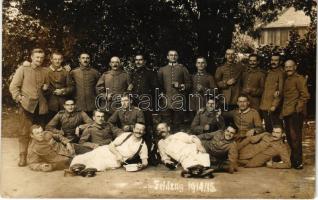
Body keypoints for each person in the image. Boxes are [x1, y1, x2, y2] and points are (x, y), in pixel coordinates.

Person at [9, 48, 49, 166]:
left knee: (40, 133)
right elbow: (13, 86)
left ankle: (39, 156)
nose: (39, 60)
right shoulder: (23, 69)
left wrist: (46, 88)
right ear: (31, 57)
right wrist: (18, 98)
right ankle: (23, 157)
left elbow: (46, 88)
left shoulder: (45, 71)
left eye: (41, 58)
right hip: (26, 106)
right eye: (37, 57)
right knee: (24, 132)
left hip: (41, 107)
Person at [69, 123, 148, 173]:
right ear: (134, 129)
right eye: (137, 129)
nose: (139, 131)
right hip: (107, 150)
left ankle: (83, 170)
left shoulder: (142, 145)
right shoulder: (126, 135)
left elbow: (145, 161)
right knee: (87, 156)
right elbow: (111, 145)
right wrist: (118, 154)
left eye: (141, 130)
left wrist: (142, 166)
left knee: (99, 164)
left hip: (116, 161)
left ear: (144, 132)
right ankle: (76, 167)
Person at [280, 59, 310, 169]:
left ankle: (298, 162)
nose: (288, 69)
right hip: (286, 112)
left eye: (290, 66)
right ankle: (293, 160)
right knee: (289, 137)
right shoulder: (286, 79)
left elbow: (305, 95)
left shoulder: (299, 79)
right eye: (286, 67)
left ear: (295, 67)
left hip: (295, 113)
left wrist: (297, 109)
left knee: (295, 138)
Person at [157, 50, 191, 131]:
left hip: (179, 100)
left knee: (177, 124)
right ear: (167, 57)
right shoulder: (162, 69)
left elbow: (189, 84)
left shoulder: (183, 68)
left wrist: (182, 86)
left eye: (175, 55)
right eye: (171, 55)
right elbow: (159, 84)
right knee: (166, 124)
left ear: (177, 57)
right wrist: (161, 94)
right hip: (166, 100)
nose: (173, 56)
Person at [260, 53, 285, 132]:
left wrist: (274, 105)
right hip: (264, 105)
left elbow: (280, 92)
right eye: (272, 60)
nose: (273, 62)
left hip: (273, 107)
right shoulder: (269, 72)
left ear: (280, 62)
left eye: (276, 60)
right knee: (268, 128)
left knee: (277, 128)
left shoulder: (281, 73)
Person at [46, 52, 73, 118]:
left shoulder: (66, 72)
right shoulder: (45, 71)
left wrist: (63, 91)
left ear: (62, 60)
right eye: (55, 59)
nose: (57, 61)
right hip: (49, 104)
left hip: (62, 104)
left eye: (59, 59)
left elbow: (71, 87)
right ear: (51, 59)